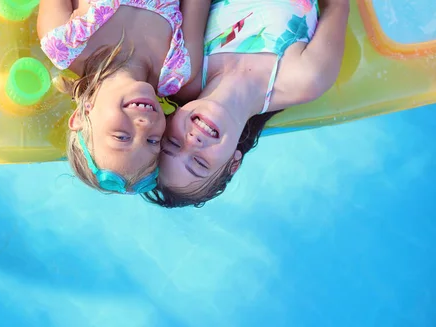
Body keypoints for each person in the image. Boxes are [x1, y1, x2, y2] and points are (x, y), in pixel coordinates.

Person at [146, 0, 350, 207]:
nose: (192, 142)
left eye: (173, 142)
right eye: (200, 163)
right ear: (233, 163)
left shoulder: (185, 75)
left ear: (168, 121)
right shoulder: (305, 79)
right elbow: (336, 6)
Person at [37, 0, 209, 194]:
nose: (144, 126)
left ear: (81, 116)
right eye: (152, 141)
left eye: (122, 136)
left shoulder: (63, 44)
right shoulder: (179, 69)